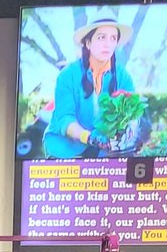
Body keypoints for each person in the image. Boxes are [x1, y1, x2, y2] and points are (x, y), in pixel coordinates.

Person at [41, 13, 139, 161]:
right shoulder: (67, 75)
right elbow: (64, 118)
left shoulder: (123, 77)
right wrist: (89, 137)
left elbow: (132, 114)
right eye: (101, 37)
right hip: (65, 149)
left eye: (113, 38)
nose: (107, 44)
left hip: (106, 152)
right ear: (88, 43)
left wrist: (127, 133)